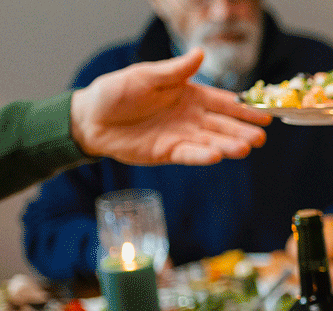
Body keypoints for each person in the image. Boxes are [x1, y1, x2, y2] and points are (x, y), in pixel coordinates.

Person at [22, 0, 333, 280]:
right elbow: (45, 229)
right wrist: (118, 253)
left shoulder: (324, 74)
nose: (223, 10)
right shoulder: (110, 82)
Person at [1, 48, 270, 200]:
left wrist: (82, 122)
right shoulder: (107, 70)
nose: (222, 10)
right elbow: (45, 226)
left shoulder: (309, 68)